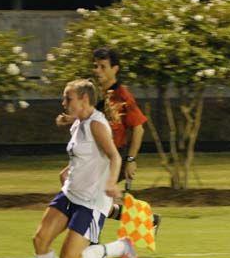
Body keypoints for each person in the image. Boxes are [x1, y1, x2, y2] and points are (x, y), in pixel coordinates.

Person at [31, 79, 139, 258]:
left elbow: (114, 156)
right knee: (40, 240)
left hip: (90, 203)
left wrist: (111, 183)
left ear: (84, 99)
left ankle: (121, 248)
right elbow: (85, 155)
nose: (63, 102)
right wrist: (67, 171)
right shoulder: (79, 122)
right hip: (70, 193)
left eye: (67, 98)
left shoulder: (97, 125)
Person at [57, 46, 160, 232]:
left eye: (103, 66)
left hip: (111, 156)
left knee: (91, 195)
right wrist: (70, 119)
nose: (97, 70)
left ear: (115, 69)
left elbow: (138, 129)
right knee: (67, 178)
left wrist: (130, 159)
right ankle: (146, 219)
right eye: (96, 66)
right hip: (94, 154)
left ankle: (85, 234)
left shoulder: (123, 96)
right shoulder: (98, 94)